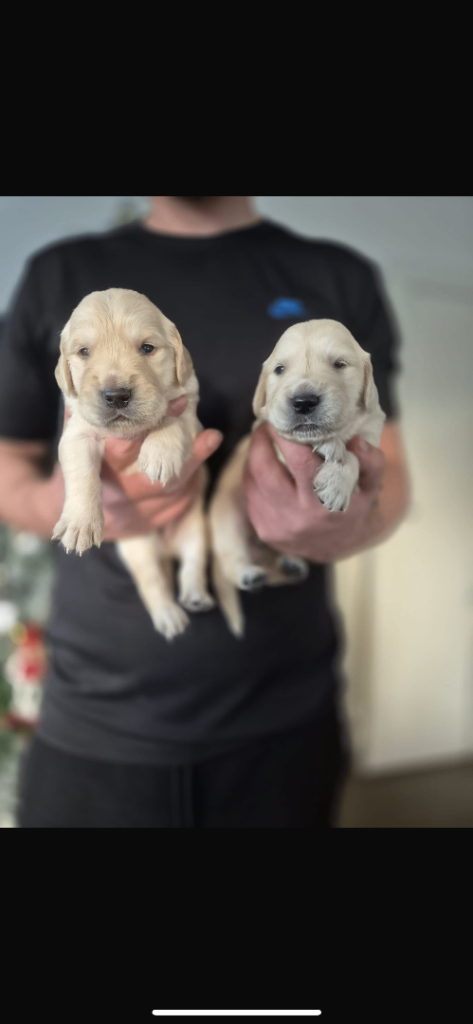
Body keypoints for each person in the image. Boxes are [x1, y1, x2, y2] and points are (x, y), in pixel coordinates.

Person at [0, 196, 409, 828]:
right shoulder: (56, 274)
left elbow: (392, 472)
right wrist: (72, 502)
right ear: (67, 368)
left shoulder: (340, 277)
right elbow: (10, 465)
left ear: (174, 353)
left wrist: (346, 521)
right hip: (92, 722)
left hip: (285, 718)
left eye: (148, 349)